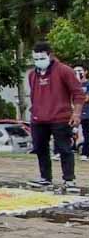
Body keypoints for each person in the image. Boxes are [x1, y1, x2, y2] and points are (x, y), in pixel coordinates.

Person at [27, 42, 83, 190]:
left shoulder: (64, 71)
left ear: (50, 55)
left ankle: (69, 180)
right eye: (35, 58)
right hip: (39, 118)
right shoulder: (32, 74)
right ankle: (45, 177)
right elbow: (34, 95)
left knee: (64, 149)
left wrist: (76, 114)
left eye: (41, 57)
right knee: (40, 148)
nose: (38, 61)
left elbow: (78, 94)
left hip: (60, 117)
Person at [76, 64, 89, 162]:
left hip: (86, 113)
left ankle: (85, 153)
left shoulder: (87, 84)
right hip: (73, 113)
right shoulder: (72, 85)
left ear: (85, 72)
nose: (78, 73)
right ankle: (58, 152)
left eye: (80, 70)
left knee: (87, 133)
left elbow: (86, 98)